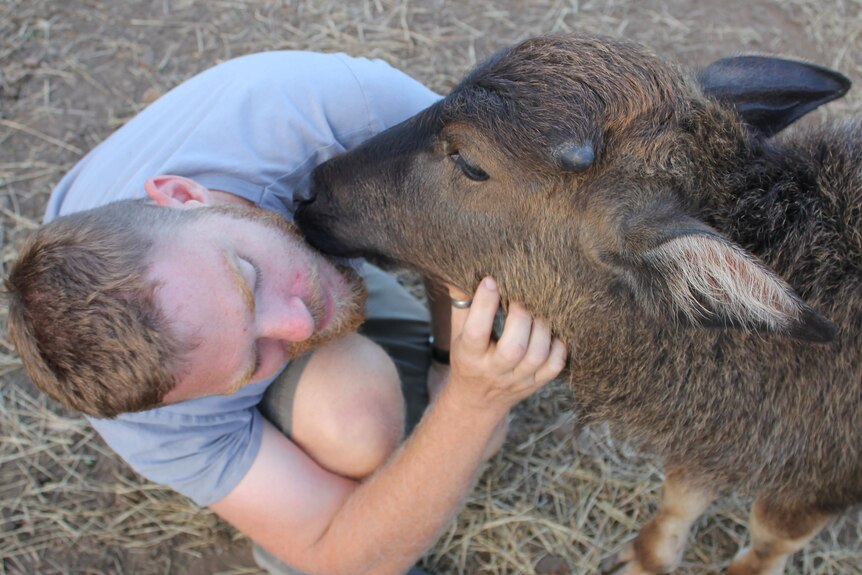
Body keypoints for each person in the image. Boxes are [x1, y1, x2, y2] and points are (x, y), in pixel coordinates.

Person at [5, 51, 567, 575]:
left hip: (240, 206)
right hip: (233, 254)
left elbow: (466, 215)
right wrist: (472, 407)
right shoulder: (157, 421)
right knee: (358, 425)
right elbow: (337, 552)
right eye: (253, 360)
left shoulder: (332, 113)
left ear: (182, 195)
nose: (301, 326)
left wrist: (452, 359)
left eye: (248, 280)